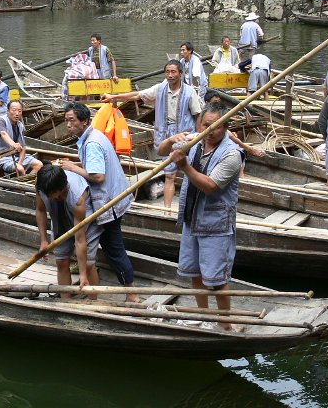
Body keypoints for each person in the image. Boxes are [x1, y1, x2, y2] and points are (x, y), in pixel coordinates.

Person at [158, 102, 243, 330]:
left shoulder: (232, 154)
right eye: (206, 125)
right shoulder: (196, 140)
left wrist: (185, 166)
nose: (210, 130)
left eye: (215, 126)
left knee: (217, 280)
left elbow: (211, 186)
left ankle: (226, 325)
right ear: (200, 123)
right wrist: (171, 140)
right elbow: (161, 151)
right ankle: (203, 314)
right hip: (191, 218)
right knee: (194, 272)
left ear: (225, 127)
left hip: (216, 224)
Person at [60, 102, 139, 303]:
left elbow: (98, 177)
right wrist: (73, 165)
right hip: (113, 200)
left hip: (108, 204)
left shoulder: (92, 143)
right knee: (111, 247)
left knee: (114, 249)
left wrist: (72, 167)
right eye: (66, 120)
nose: (68, 125)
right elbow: (92, 165)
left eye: (72, 121)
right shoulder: (92, 137)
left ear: (84, 121)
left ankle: (132, 294)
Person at [103, 60, 201, 210]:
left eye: (173, 72)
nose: (170, 75)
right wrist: (113, 97)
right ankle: (167, 211)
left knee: (191, 172)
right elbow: (138, 95)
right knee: (169, 174)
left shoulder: (189, 92)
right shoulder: (160, 89)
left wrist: (200, 135)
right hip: (166, 135)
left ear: (181, 73)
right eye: (167, 72)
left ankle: (191, 207)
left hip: (186, 135)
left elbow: (197, 114)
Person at [35, 164, 100, 297]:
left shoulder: (77, 198)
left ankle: (94, 302)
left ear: (61, 189)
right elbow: (40, 210)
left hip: (85, 220)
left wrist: (82, 275)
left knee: (87, 265)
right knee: (61, 261)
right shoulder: (42, 186)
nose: (48, 197)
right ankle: (66, 302)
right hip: (60, 218)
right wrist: (43, 240)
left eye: (51, 195)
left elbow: (80, 239)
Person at [0, 100, 43, 176]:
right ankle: (23, 185)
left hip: (15, 156)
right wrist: (14, 144)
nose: (17, 114)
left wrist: (20, 163)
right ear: (8, 111)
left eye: (19, 111)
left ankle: (25, 181)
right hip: (1, 158)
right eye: (14, 110)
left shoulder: (20, 125)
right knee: (20, 169)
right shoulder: (1, 121)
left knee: (39, 164)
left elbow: (23, 147)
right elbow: (3, 133)